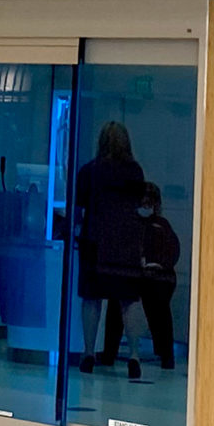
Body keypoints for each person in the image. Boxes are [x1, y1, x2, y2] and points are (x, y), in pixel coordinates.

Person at [73, 120, 142, 374]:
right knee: (129, 300)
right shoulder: (135, 171)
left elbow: (79, 210)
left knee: (91, 298)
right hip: (126, 243)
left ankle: (89, 352)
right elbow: (138, 205)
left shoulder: (89, 171)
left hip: (95, 242)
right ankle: (134, 354)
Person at [137, 182, 180, 372]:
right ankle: (165, 354)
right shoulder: (161, 225)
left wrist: (158, 264)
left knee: (158, 312)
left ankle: (164, 353)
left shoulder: (158, 226)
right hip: (159, 277)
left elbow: (172, 251)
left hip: (158, 275)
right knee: (159, 313)